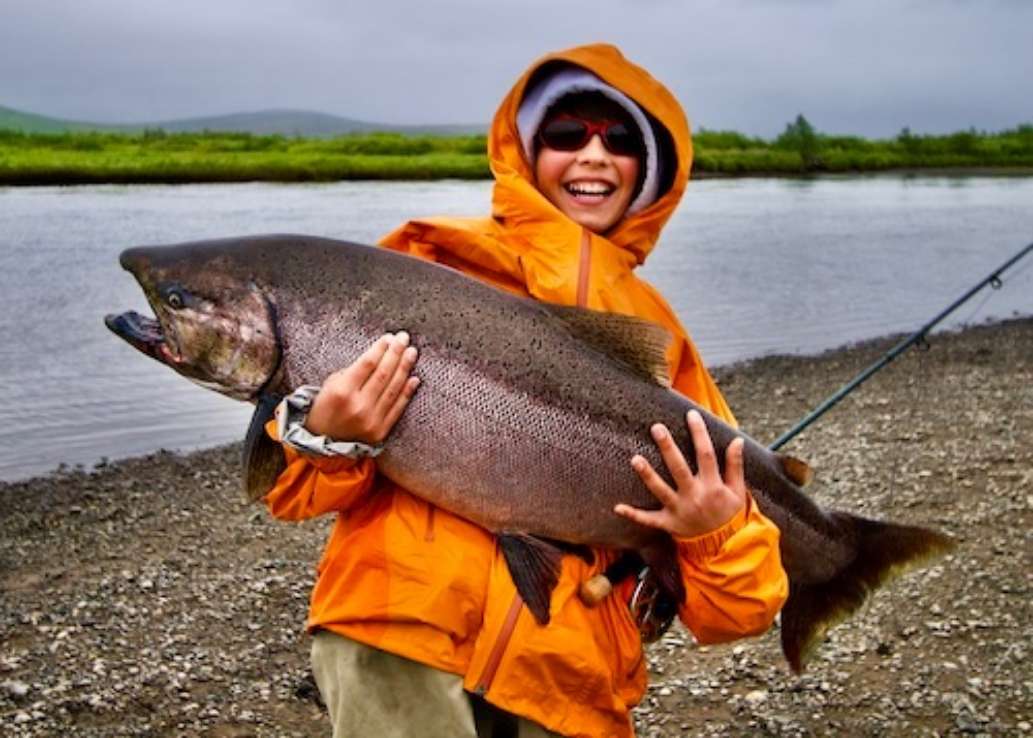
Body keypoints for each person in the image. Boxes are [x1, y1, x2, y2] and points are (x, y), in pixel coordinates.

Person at [263, 43, 788, 738]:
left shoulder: (660, 336)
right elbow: (290, 493)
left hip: (566, 681)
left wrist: (711, 531)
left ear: (653, 171)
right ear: (525, 149)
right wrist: (331, 437)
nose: (593, 156)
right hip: (394, 631)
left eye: (621, 141)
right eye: (567, 134)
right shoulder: (425, 259)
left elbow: (737, 612)